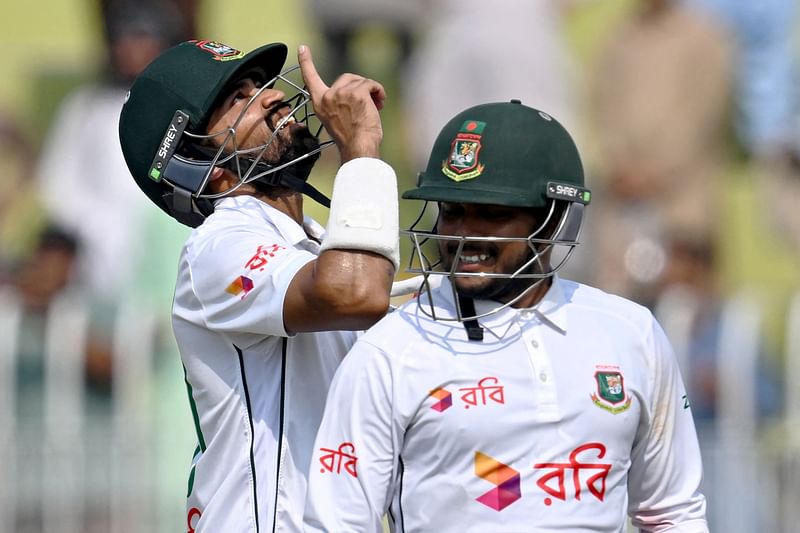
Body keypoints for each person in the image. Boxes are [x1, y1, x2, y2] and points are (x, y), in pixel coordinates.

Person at [304, 101, 709, 532]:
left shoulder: (631, 333)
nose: (462, 236)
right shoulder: (389, 350)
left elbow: (673, 513)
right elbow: (335, 524)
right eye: (452, 212)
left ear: (553, 220)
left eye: (492, 216)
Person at [118, 39, 399, 532]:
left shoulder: (315, 241)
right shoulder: (218, 245)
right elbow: (353, 295)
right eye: (238, 98)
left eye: (263, 84)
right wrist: (360, 151)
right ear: (198, 162)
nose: (272, 97)